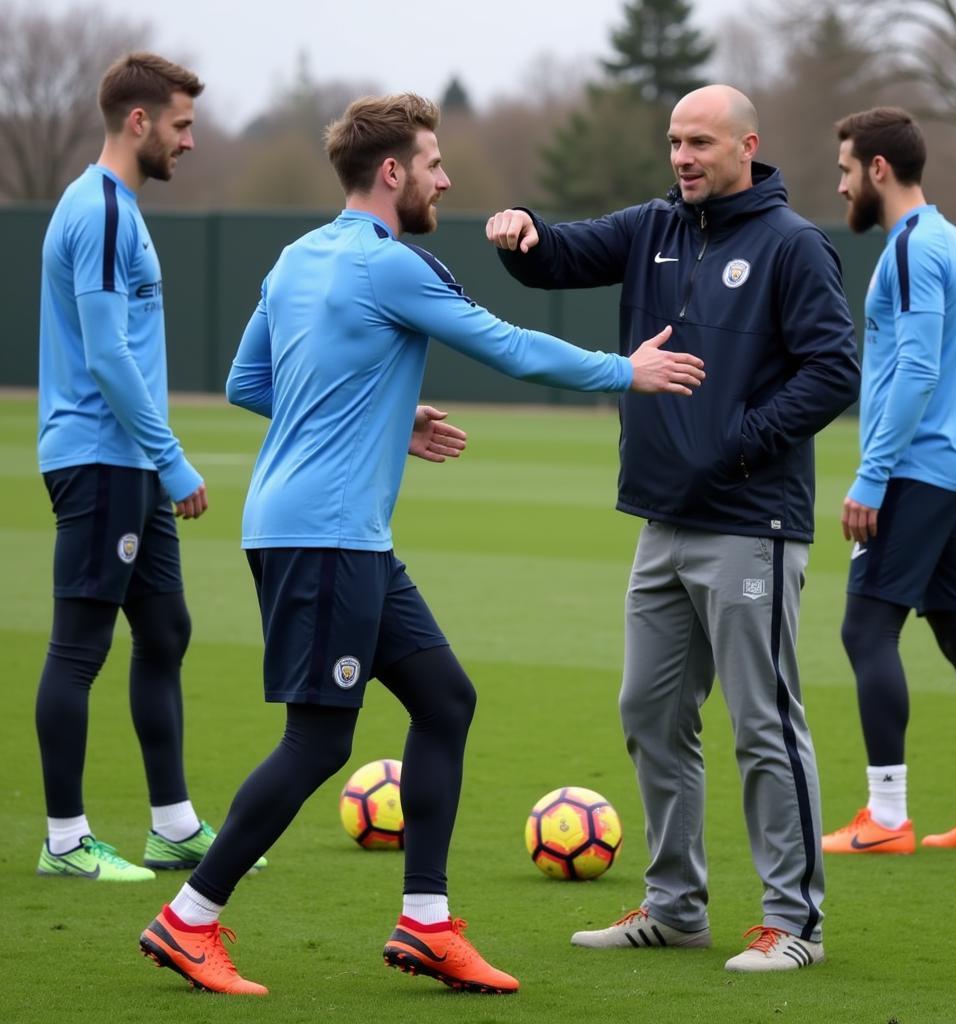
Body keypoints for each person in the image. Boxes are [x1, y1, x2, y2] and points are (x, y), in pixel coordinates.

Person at [137, 92, 704, 997]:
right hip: (323, 537)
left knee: (445, 700)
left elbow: (252, 381)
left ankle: (427, 924)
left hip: (333, 533)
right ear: (393, 172)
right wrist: (624, 371)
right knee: (320, 742)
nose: (446, 178)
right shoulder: (390, 264)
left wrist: (383, 418)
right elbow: (511, 349)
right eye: (435, 163)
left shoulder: (294, 258)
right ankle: (189, 918)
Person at [487, 84, 860, 972]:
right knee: (650, 712)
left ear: (746, 146)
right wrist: (523, 232)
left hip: (751, 522)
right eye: (673, 143)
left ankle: (793, 922)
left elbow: (834, 369)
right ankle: (674, 906)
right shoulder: (655, 225)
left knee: (763, 721)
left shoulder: (792, 245)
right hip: (663, 520)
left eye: (699, 142)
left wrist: (741, 443)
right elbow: (562, 256)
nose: (683, 157)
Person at [34, 52, 261, 883]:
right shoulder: (96, 211)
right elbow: (106, 355)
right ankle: (65, 841)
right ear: (139, 123)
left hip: (125, 458)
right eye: (181, 125)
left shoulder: (119, 208)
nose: (189, 141)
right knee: (78, 649)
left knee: (165, 631)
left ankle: (172, 826)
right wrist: (169, 460)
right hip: (104, 458)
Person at [821, 107, 956, 855]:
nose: (840, 186)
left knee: (866, 629)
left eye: (845, 170)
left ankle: (887, 818)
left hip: (914, 469)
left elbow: (918, 367)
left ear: (878, 169)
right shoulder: (953, 241)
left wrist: (872, 476)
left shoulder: (909, 249)